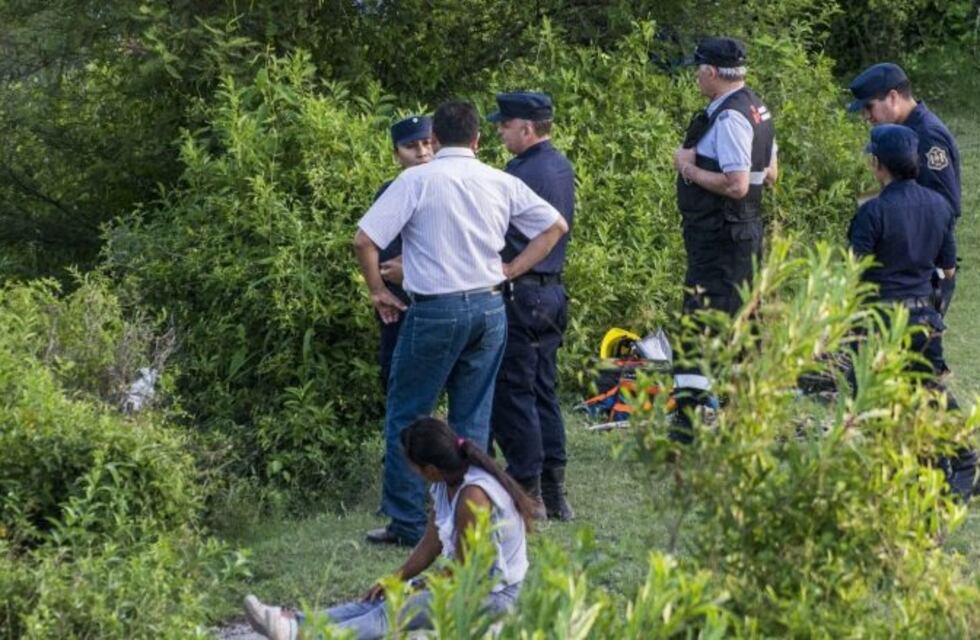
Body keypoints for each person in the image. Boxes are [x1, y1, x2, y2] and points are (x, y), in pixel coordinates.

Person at [353, 100, 568, 546]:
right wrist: (512, 270)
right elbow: (554, 226)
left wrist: (378, 290)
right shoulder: (498, 179)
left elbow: (365, 240)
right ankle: (472, 516)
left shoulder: (416, 180)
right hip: (490, 307)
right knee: (473, 420)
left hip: (436, 308)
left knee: (408, 412)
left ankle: (408, 521)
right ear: (476, 139)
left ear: (436, 140)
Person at [243, 417, 534, 640]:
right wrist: (395, 579)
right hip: (472, 586)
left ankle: (303, 634)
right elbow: (431, 543)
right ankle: (294, 623)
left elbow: (466, 571)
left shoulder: (474, 496)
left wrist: (416, 586)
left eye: (415, 467)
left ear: (431, 468)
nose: (414, 472)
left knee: (391, 611)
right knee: (377, 601)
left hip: (496, 597)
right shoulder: (445, 483)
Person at [847, 123, 975, 500]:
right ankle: (955, 460)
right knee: (929, 388)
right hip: (925, 318)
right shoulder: (938, 206)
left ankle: (911, 475)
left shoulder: (872, 212)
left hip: (883, 321)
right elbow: (948, 268)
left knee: (875, 398)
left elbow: (854, 273)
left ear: (877, 165)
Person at [670, 36, 777, 441]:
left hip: (721, 236)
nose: (697, 77)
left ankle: (690, 424)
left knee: (699, 323)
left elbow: (735, 184)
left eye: (699, 70)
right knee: (741, 322)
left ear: (711, 73)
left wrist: (689, 169)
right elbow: (769, 173)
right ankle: (743, 415)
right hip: (743, 233)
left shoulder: (730, 117)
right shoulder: (756, 108)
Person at [487, 91, 576, 520]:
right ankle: (556, 489)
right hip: (553, 291)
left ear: (526, 127)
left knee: (515, 390)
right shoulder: (559, 164)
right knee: (543, 387)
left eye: (504, 125)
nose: (499, 132)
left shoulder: (519, 172)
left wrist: (509, 269)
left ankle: (528, 487)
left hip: (523, 290)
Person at [847, 62, 962, 315]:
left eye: (869, 107)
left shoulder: (927, 136)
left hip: (921, 271)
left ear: (892, 97)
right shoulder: (904, 132)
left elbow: (946, 206)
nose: (867, 116)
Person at [374, 115, 434, 392]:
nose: (422, 152)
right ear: (396, 154)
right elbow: (386, 260)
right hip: (402, 303)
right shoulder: (391, 191)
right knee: (399, 379)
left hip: (445, 300)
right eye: (411, 146)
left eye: (427, 143)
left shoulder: (449, 183)